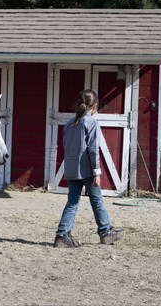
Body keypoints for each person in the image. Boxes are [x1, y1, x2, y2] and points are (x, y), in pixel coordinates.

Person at [54, 89, 123, 247]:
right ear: (95, 105)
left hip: (71, 169)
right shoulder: (91, 123)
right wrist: (97, 172)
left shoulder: (69, 124)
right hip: (86, 169)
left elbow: (65, 146)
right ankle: (105, 232)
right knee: (97, 201)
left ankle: (62, 235)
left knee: (72, 202)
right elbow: (93, 150)